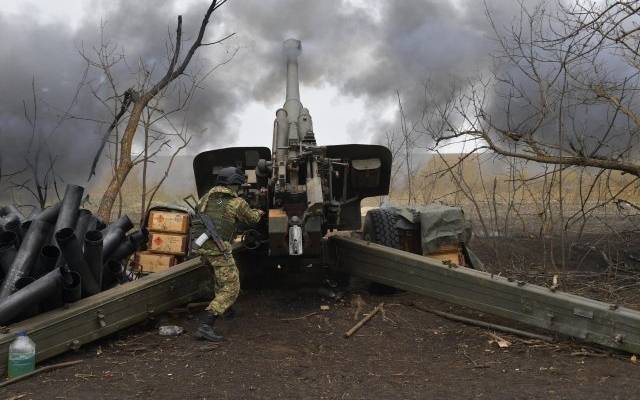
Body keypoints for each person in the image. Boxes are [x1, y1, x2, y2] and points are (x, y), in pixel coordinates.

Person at [194, 166, 264, 341]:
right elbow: (252, 219)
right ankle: (206, 324)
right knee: (231, 287)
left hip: (203, 248)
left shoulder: (206, 198)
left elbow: (200, 214)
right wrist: (259, 211)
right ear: (234, 184)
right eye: (238, 186)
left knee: (220, 280)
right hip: (219, 249)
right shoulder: (236, 202)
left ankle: (227, 310)